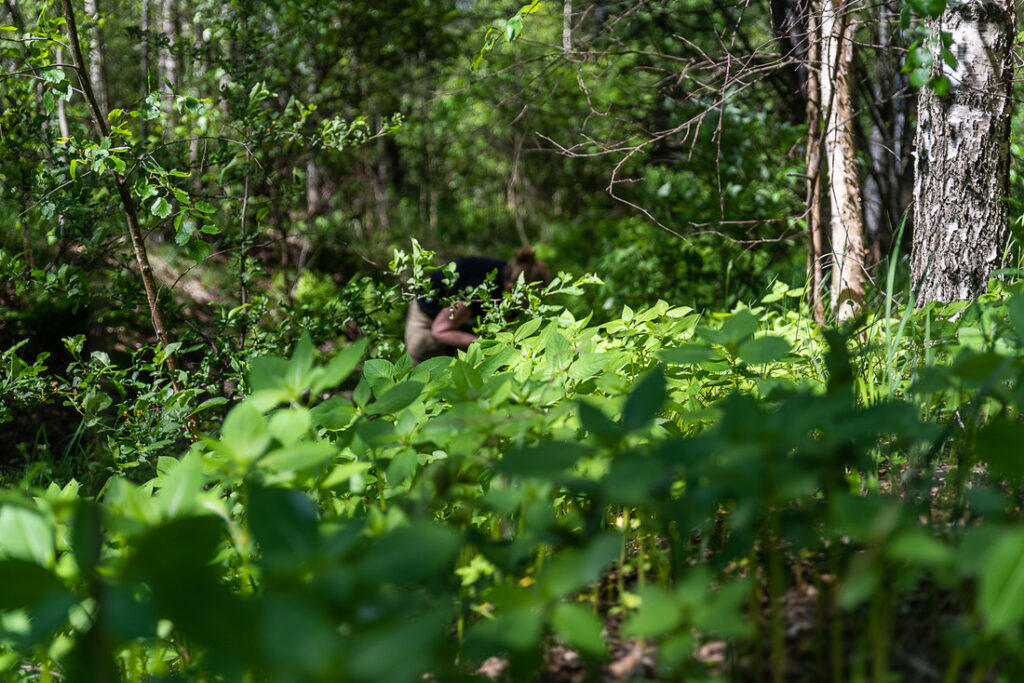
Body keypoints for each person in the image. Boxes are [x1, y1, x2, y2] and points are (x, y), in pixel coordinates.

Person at [405, 246, 550, 363]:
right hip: (427, 317)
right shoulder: (477, 290)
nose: (526, 308)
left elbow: (499, 330)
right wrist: (484, 344)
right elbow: (440, 330)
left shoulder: (509, 277)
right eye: (525, 302)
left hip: (456, 318)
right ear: (511, 289)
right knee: (429, 372)